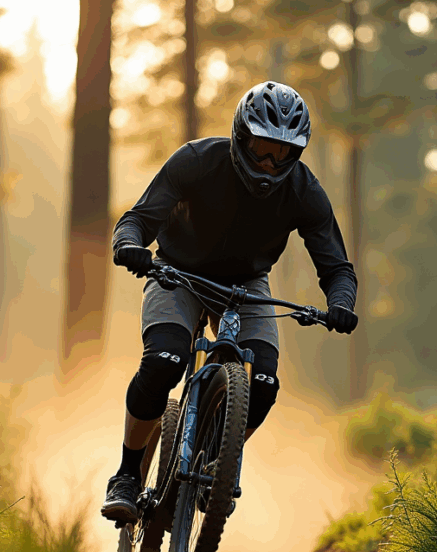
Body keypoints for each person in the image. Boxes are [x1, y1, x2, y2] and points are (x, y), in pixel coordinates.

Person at [101, 81, 359, 525]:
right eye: (261, 147)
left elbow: (337, 267)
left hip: (246, 285)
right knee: (164, 361)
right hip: (176, 272)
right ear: (241, 135)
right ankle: (126, 475)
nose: (269, 163)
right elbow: (139, 219)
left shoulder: (304, 190)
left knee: (263, 382)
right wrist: (129, 245)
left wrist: (341, 302)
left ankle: (215, 463)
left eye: (283, 153)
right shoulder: (197, 161)